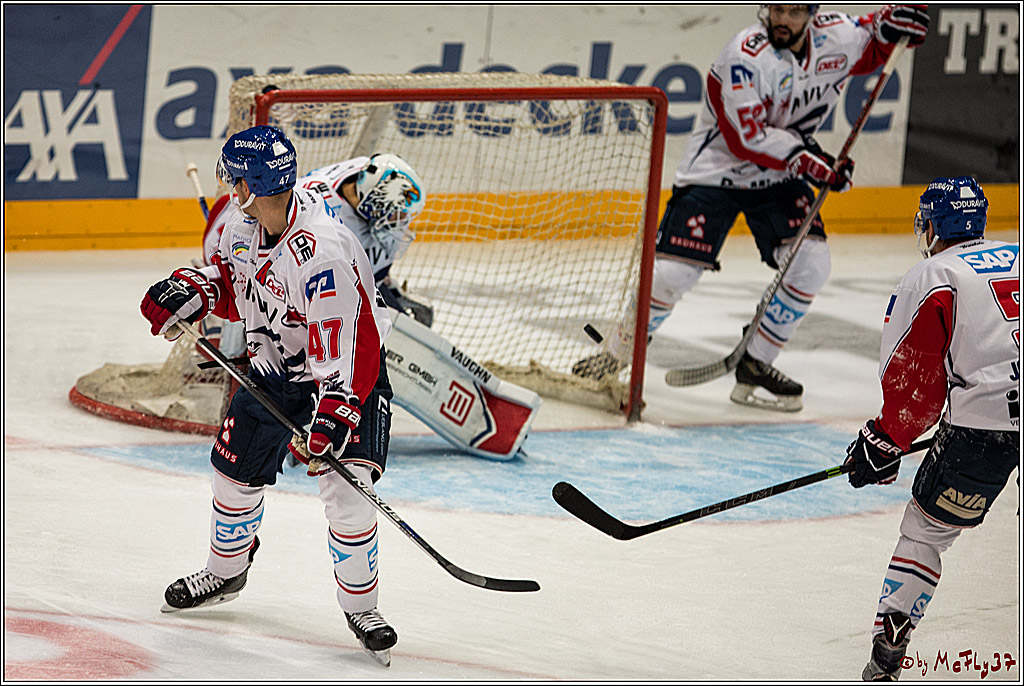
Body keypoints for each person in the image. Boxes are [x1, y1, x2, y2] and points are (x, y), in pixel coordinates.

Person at [573, 4, 929, 412]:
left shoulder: (837, 36)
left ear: (813, 14)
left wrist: (889, 27)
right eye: (776, 9)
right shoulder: (744, 55)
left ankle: (756, 361)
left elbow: (872, 42)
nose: (782, 20)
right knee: (671, 275)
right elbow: (746, 138)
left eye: (794, 12)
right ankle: (618, 353)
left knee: (811, 265)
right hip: (716, 172)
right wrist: (814, 163)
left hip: (779, 176)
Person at [141, 125, 400, 666]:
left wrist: (333, 417)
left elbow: (348, 345)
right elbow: (237, 287)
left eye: (234, 179)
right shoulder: (244, 225)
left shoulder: (322, 252)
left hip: (349, 378)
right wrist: (194, 290)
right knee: (233, 477)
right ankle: (225, 572)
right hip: (276, 369)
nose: (228, 188)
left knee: (348, 495)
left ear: (252, 185)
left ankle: (363, 608)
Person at [844, 176, 1019, 680]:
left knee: (926, 533)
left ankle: (887, 655)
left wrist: (885, 441)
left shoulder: (933, 274)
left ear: (935, 224)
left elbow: (915, 379)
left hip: (983, 428)